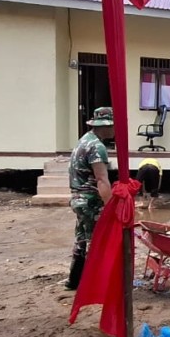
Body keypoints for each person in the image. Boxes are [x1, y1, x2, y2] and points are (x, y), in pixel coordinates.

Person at [66, 107, 114, 290]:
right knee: (97, 242)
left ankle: (74, 280)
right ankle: (95, 284)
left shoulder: (84, 140)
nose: (114, 129)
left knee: (81, 239)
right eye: (112, 125)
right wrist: (111, 207)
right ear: (105, 126)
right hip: (89, 201)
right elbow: (102, 179)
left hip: (77, 199)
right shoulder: (97, 147)